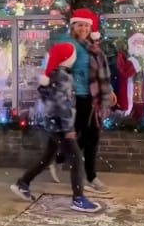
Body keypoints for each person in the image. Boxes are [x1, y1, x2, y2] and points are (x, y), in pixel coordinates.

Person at [12, 42, 102, 213]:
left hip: (51, 124)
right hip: (61, 127)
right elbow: (63, 105)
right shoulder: (64, 77)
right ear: (68, 59)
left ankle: (23, 183)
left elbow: (50, 101)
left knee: (47, 157)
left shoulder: (51, 76)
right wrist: (69, 129)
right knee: (76, 159)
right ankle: (78, 198)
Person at [46, 8, 116, 194]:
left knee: (91, 137)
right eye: (80, 25)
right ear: (73, 26)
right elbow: (58, 71)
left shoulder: (91, 46)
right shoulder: (70, 45)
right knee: (77, 137)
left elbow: (100, 73)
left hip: (92, 98)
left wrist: (108, 89)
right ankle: (77, 172)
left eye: (87, 25)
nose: (84, 28)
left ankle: (81, 171)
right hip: (76, 99)